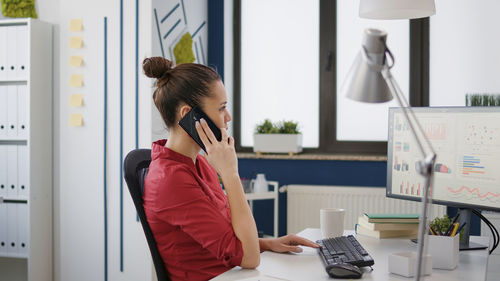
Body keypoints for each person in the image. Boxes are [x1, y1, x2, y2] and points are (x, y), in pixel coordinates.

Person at [142, 57, 320, 281]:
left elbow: (227, 236)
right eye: (221, 108)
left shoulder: (199, 163)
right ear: (189, 115)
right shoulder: (170, 180)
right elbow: (248, 257)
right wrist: (231, 174)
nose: (228, 117)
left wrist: (267, 243)